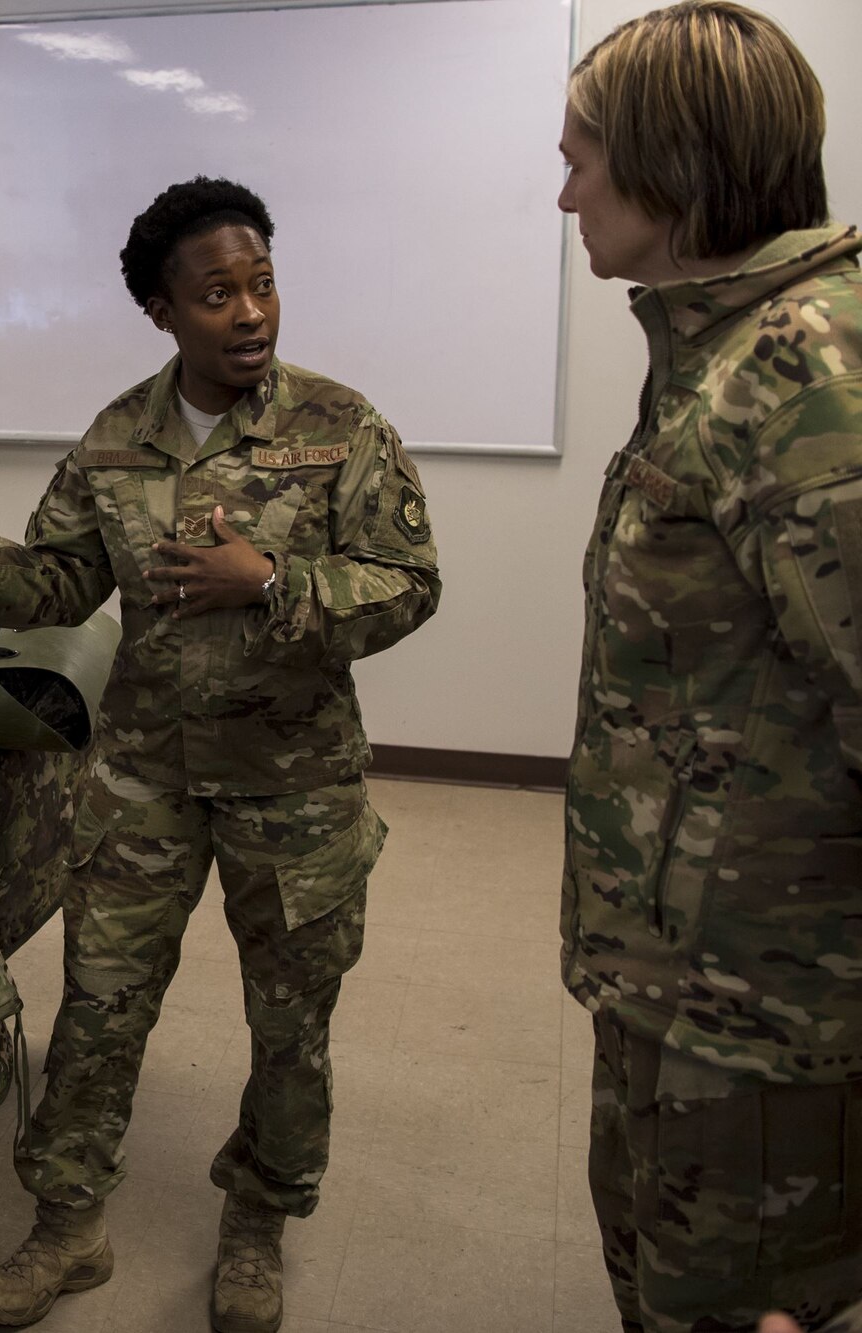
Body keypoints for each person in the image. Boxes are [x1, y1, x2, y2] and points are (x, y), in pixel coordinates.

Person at [0, 178, 440, 1331]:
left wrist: (271, 584)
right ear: (162, 310)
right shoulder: (115, 439)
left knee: (287, 1021)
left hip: (292, 782)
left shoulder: (340, 429)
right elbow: (60, 579)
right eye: (216, 293)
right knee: (102, 1005)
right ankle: (67, 1225)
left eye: (261, 283)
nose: (249, 312)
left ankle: (256, 1224)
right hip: (142, 775)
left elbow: (410, 585)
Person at [556, 5, 862, 1330]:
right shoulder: (721, 353)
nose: (564, 190)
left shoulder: (808, 377)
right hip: (689, 986)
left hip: (772, 1024)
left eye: (584, 156)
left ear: (671, 165)